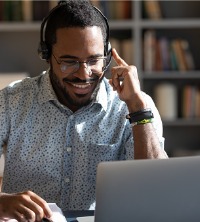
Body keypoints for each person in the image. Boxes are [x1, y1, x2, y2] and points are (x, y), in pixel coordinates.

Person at [0, 0, 168, 221]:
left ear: (107, 56)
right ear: (47, 55)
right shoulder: (11, 102)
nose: (83, 74)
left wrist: (138, 109)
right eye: (69, 62)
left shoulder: (134, 106)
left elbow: (159, 192)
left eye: (94, 60)